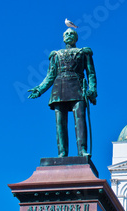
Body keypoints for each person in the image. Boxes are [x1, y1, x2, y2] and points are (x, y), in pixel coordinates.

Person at [28, 27, 97, 157]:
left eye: (72, 34)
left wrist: (92, 89)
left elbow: (91, 73)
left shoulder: (83, 53)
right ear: (63, 38)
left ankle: (82, 150)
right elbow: (50, 75)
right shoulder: (56, 55)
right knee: (60, 123)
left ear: (76, 38)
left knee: (80, 120)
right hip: (59, 88)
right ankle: (62, 153)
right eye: (66, 34)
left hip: (78, 87)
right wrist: (40, 89)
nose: (69, 35)